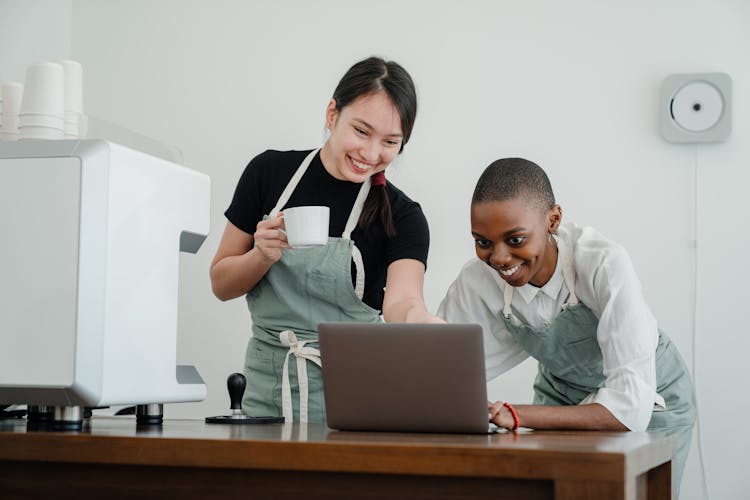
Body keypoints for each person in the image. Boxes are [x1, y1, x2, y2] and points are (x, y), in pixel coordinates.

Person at [438, 157, 696, 495]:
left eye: (515, 240)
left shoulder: (603, 263)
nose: (499, 258)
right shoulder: (477, 281)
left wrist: (518, 415)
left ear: (553, 220)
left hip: (652, 400)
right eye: (483, 242)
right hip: (561, 395)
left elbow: (629, 408)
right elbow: (439, 372)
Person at [210, 56, 441, 424]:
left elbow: (403, 301)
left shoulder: (404, 216)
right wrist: (261, 256)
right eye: (361, 131)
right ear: (332, 114)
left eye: (390, 142)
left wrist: (424, 322)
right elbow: (221, 283)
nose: (370, 154)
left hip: (357, 404)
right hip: (267, 397)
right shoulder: (268, 173)